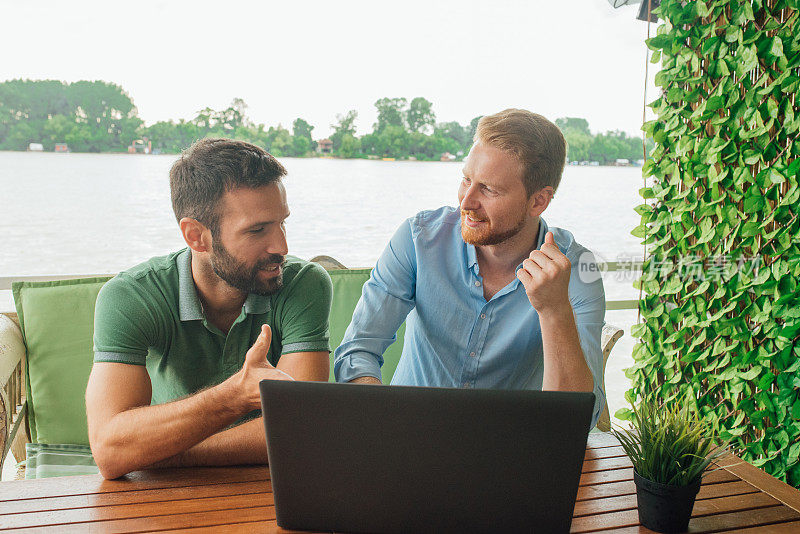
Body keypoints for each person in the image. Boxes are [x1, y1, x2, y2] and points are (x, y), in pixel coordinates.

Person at [334, 108, 606, 426]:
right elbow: (357, 350)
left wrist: (554, 312)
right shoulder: (418, 238)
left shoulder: (575, 269)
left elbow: (579, 420)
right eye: (466, 180)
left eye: (488, 189)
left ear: (538, 201)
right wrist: (386, 422)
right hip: (406, 436)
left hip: (509, 455)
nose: (466, 202)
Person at [85, 138, 332, 479]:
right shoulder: (131, 296)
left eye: (282, 222)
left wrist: (160, 452)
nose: (282, 247)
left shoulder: (304, 284)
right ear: (196, 236)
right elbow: (111, 451)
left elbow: (300, 431)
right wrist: (234, 396)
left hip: (268, 485)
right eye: (258, 230)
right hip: (161, 494)